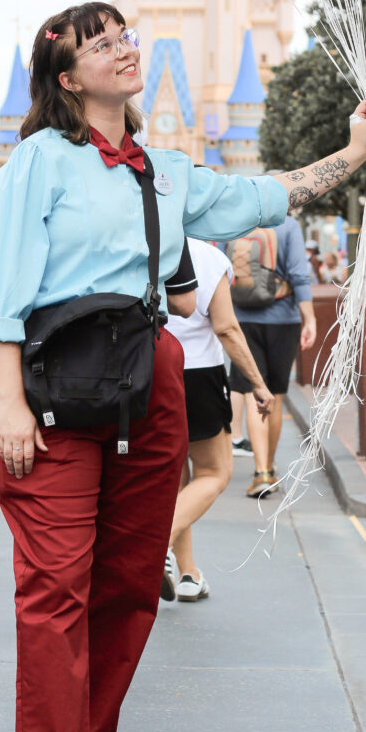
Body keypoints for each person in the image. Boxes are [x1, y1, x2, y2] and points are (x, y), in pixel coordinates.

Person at [0, 1, 366, 732]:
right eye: (101, 44)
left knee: (128, 579)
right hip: (55, 381)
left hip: (148, 375)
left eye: (125, 36)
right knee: (54, 586)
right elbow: (3, 291)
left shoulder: (167, 167)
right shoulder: (38, 164)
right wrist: (7, 398)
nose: (124, 49)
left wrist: (352, 152)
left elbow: (260, 196)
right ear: (66, 76)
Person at [163, 238, 274, 602]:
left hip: (148, 373)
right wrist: (258, 384)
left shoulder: (137, 241)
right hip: (197, 374)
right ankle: (157, 547)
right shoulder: (207, 255)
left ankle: (188, 574)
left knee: (177, 484)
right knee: (215, 473)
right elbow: (226, 328)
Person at [227, 213, 317, 498]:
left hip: (242, 319)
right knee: (275, 396)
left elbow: (220, 269)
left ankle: (261, 471)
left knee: (256, 392)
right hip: (283, 319)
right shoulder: (288, 226)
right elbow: (299, 273)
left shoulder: (233, 222)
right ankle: (269, 468)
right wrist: (310, 318)